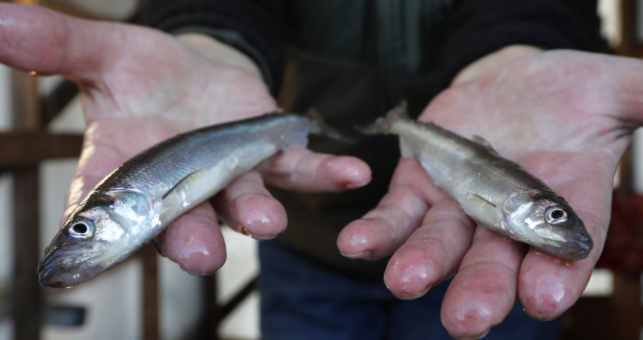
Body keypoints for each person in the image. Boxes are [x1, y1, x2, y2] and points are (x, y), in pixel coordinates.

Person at [1, 1, 641, 339]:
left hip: (466, 244)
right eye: (85, 231)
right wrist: (204, 34)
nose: (79, 241)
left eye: (84, 230)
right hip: (302, 234)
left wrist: (524, 41)